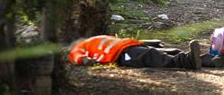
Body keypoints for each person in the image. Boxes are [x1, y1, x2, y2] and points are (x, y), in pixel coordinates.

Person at [68, 35, 202, 70]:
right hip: (121, 55)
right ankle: (188, 62)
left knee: (172, 51)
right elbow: (77, 56)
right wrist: (86, 60)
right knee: (152, 56)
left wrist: (147, 42)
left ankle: (209, 60)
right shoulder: (77, 47)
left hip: (130, 47)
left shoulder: (92, 40)